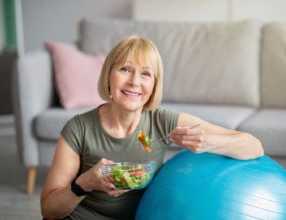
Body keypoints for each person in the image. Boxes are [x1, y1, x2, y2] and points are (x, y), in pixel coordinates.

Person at [40, 36, 264, 220]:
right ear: (109, 75)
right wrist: (84, 183)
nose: (134, 82)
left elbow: (254, 146)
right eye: (125, 69)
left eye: (146, 73)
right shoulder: (78, 128)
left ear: (154, 84)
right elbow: (49, 210)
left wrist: (209, 142)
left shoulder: (161, 122)